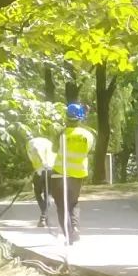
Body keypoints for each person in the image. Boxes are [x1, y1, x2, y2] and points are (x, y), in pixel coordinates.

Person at [50, 103, 95, 244]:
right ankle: (75, 227)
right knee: (73, 203)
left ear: (66, 117)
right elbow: (90, 151)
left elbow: (53, 149)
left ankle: (69, 235)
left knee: (61, 206)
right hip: (77, 174)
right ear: (80, 118)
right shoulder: (88, 135)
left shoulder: (62, 133)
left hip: (59, 173)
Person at [26, 134, 55, 227]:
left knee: (37, 193)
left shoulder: (31, 142)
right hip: (51, 169)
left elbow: (36, 149)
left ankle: (43, 217)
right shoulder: (48, 142)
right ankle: (45, 218)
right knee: (48, 194)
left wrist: (43, 162)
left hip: (41, 170)